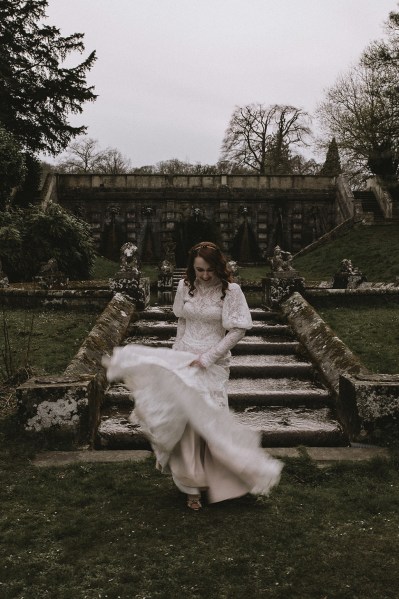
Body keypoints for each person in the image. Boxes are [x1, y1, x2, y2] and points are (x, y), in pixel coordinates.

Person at [104, 241, 282, 511]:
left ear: (219, 267)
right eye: (200, 270)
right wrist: (176, 354)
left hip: (213, 361)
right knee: (185, 427)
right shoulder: (184, 286)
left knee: (209, 423)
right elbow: (183, 321)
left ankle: (222, 479)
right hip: (185, 359)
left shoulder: (231, 291)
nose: (205, 276)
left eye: (210, 270)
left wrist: (209, 357)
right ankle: (191, 486)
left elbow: (237, 330)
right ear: (192, 268)